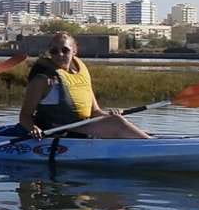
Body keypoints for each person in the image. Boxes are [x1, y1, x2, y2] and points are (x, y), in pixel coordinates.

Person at [13, 32, 150, 139]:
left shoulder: (81, 74)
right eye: (54, 51)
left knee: (116, 119)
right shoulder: (42, 79)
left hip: (81, 126)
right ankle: (149, 145)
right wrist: (33, 129)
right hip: (56, 130)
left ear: (74, 51)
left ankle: (148, 142)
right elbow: (25, 116)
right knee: (117, 123)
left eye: (65, 50)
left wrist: (109, 114)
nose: (60, 54)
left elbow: (95, 112)